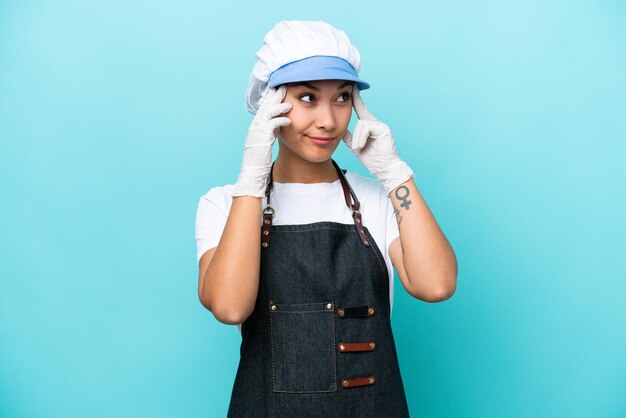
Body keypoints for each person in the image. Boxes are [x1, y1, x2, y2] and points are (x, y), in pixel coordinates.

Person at [195, 20, 457, 417]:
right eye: (307, 97)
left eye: (342, 98)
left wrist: (395, 174)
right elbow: (230, 307)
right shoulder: (224, 205)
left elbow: (436, 285)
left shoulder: (377, 199)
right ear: (271, 105)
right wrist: (251, 179)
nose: (329, 121)